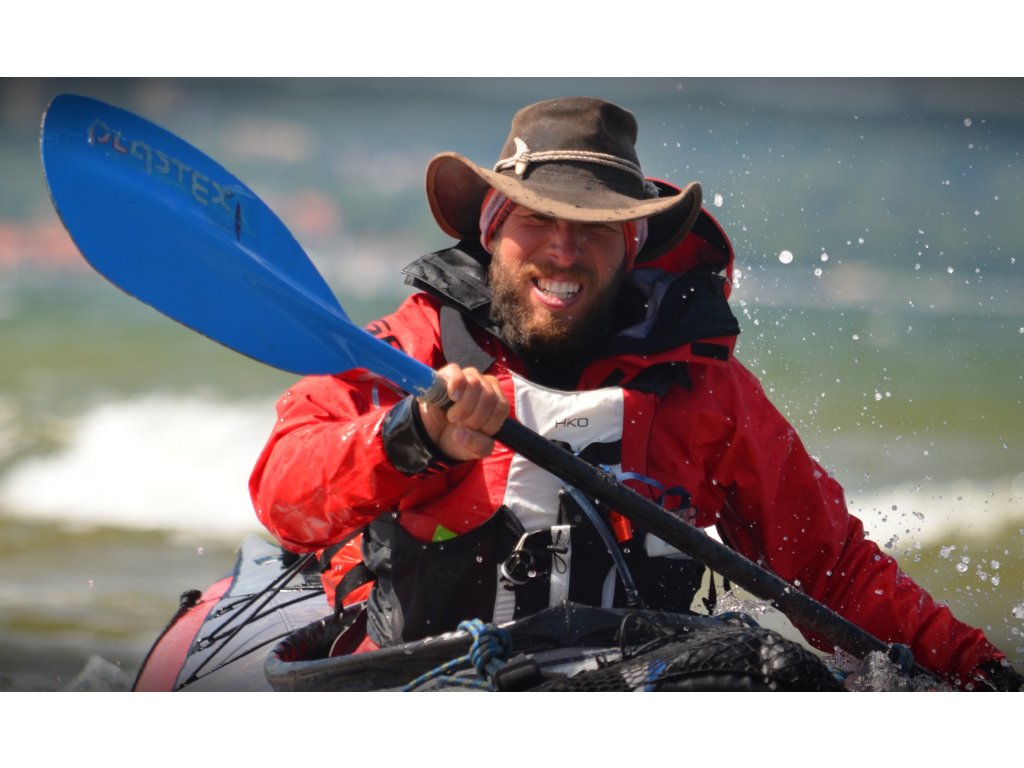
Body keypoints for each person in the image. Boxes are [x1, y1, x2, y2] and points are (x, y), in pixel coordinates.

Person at [249, 96, 1021, 690]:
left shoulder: (701, 387)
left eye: (595, 226)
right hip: (423, 681)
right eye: (537, 218)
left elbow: (832, 570)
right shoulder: (409, 352)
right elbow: (283, 494)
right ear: (491, 230)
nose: (564, 249)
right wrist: (413, 435)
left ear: (632, 247)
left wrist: (979, 672)